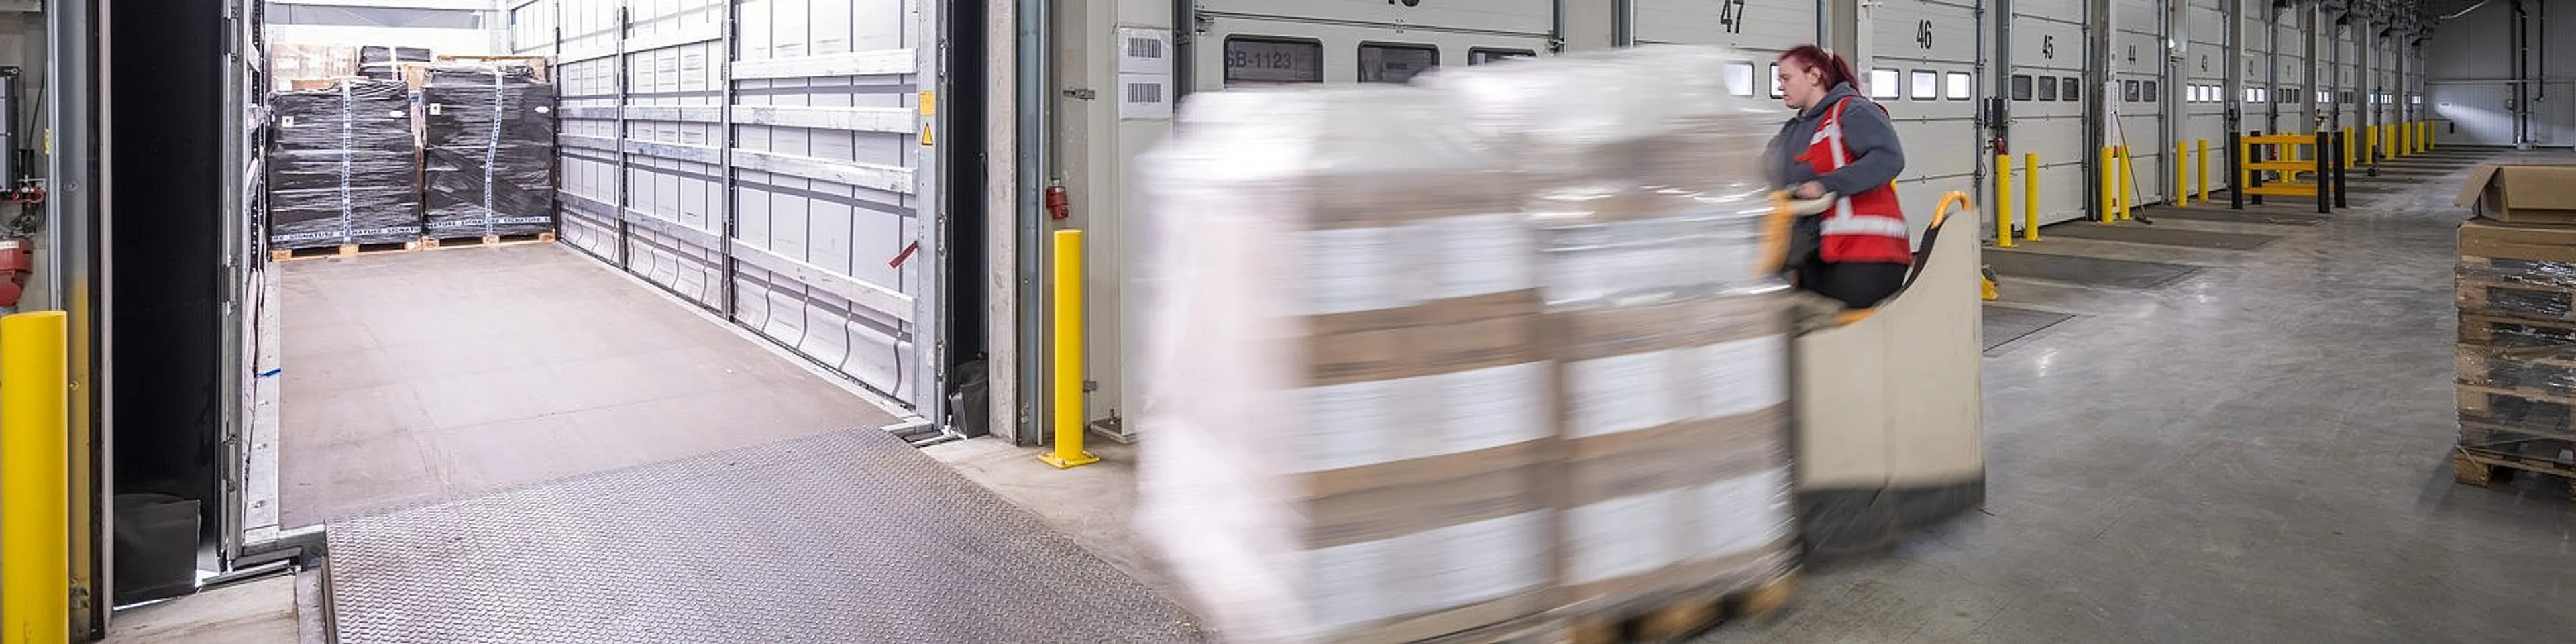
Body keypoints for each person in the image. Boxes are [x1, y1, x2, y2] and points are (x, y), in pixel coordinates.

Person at [1766, 45, 1911, 310]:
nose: (1780, 86)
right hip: (1816, 256)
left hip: (1867, 254)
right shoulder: (1792, 131)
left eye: (1786, 78)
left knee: (1837, 327)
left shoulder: (1852, 111)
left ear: (1814, 76)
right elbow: (1764, 170)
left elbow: (1889, 158)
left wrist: (1826, 185)